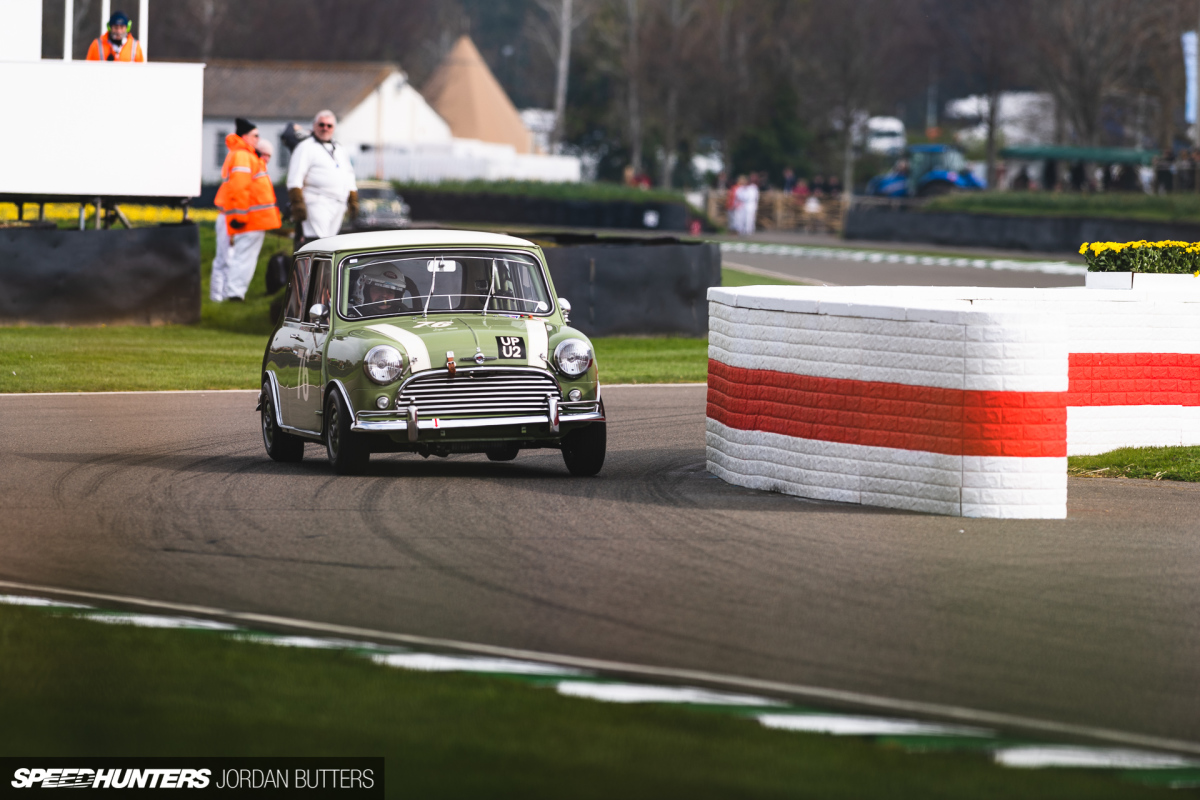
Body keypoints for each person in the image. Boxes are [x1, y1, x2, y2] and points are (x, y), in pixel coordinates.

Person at [211, 118, 282, 302]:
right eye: (255, 135)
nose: (258, 139)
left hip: (242, 216)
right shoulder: (244, 156)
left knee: (229, 258)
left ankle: (222, 297)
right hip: (249, 218)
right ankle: (234, 296)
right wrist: (239, 215)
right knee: (242, 258)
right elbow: (239, 187)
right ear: (245, 136)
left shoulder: (242, 155)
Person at [287, 110, 358, 244]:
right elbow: (295, 178)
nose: (325, 128)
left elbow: (349, 174)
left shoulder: (339, 148)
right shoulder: (305, 147)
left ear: (334, 128)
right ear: (314, 126)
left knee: (330, 244)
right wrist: (297, 203)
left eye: (329, 126)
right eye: (321, 125)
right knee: (317, 242)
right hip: (317, 202)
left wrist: (352, 199)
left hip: (338, 201)